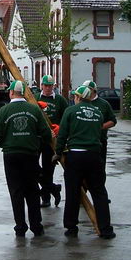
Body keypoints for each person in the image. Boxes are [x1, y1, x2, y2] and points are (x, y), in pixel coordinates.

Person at [0, 80, 52, 237]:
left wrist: (6, 144)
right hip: (30, 154)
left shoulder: (4, 111)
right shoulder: (34, 110)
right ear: (24, 92)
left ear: (11, 92)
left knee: (16, 191)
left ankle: (20, 226)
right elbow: (45, 132)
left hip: (11, 155)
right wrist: (35, 143)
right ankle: (36, 226)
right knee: (32, 190)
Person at [54, 85, 115, 239]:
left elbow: (62, 134)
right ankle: (106, 228)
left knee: (73, 192)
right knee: (99, 192)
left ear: (78, 97)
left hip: (76, 156)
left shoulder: (70, 111)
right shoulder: (98, 113)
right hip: (94, 156)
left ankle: (71, 227)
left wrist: (58, 152)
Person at [36, 74, 68, 207]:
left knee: (48, 169)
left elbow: (67, 118)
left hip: (52, 139)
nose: (48, 88)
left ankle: (46, 198)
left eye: (50, 86)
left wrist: (60, 128)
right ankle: (53, 188)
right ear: (41, 86)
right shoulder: (36, 98)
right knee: (33, 167)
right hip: (37, 138)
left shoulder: (60, 100)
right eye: (46, 85)